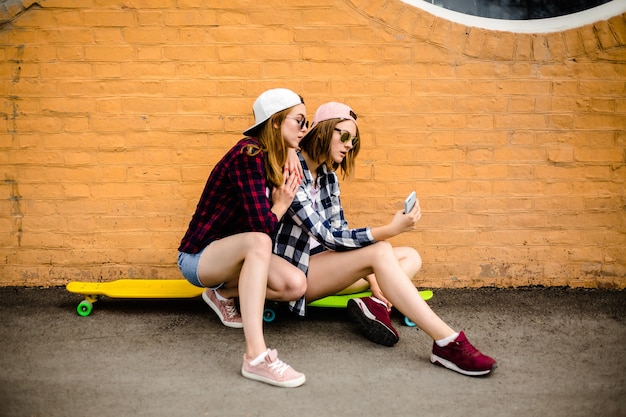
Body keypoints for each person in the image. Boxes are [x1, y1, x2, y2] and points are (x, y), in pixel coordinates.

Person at [273, 102, 497, 377]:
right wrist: (390, 229)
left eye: (353, 141)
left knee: (409, 256)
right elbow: (328, 236)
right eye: (343, 136)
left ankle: (375, 303)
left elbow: (341, 228)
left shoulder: (328, 177)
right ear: (323, 131)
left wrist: (372, 279)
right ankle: (447, 341)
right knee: (381, 251)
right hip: (297, 273)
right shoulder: (292, 171)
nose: (349, 145)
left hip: (326, 265)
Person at [177, 88, 309, 387]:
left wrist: (290, 150)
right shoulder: (248, 154)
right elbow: (261, 226)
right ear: (275, 123)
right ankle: (256, 357)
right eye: (299, 121)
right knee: (260, 240)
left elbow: (298, 141)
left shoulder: (273, 154)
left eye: (306, 122)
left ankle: (222, 294)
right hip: (199, 257)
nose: (305, 129)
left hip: (235, 257)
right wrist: (281, 204)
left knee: (295, 284)